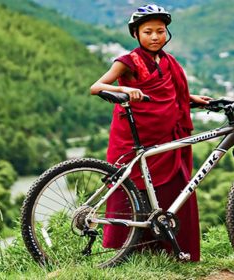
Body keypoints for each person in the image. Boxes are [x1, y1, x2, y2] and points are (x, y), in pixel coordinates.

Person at [90, 4, 211, 262]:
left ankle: (167, 250)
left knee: (175, 188)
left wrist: (190, 98)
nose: (155, 37)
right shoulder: (127, 61)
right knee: (132, 187)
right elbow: (96, 86)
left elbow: (169, 94)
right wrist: (125, 91)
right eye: (148, 31)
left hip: (168, 136)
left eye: (160, 31)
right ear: (136, 34)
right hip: (134, 136)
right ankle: (128, 251)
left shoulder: (169, 62)